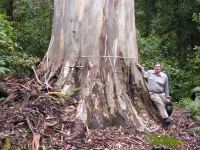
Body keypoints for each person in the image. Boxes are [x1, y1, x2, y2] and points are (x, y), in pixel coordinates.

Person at [137, 62, 172, 126]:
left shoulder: (164, 76)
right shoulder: (150, 73)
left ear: (160, 68)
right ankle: (166, 119)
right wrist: (141, 68)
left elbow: (166, 87)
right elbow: (144, 74)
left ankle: (168, 115)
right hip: (153, 93)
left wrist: (167, 97)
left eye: (158, 66)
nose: (157, 67)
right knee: (160, 103)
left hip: (162, 93)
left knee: (168, 104)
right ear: (154, 67)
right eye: (156, 66)